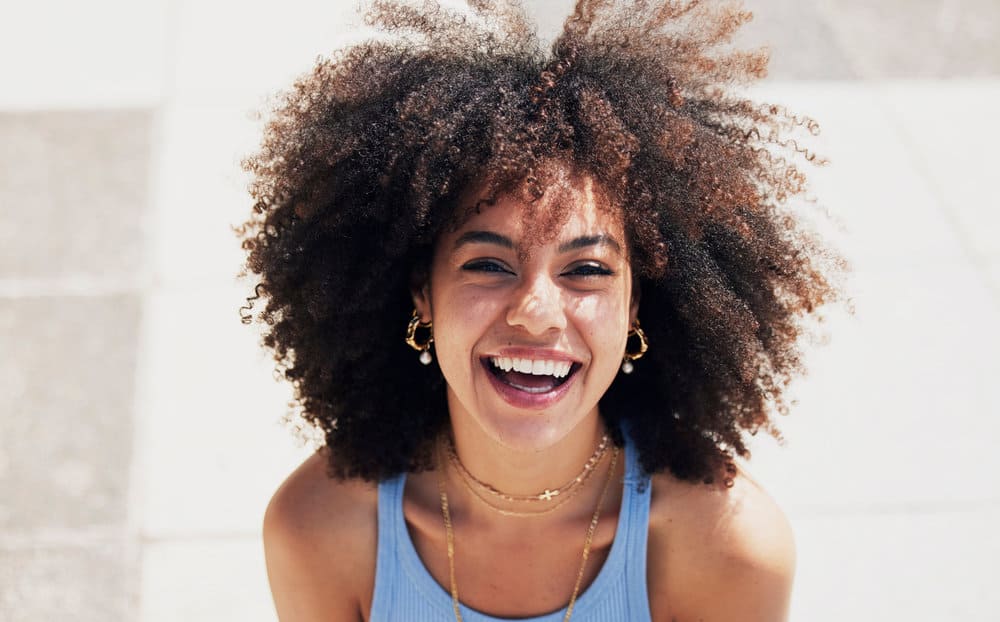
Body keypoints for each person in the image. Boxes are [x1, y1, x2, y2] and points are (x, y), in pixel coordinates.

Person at [239, 1, 844, 620]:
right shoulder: (321, 529)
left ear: (635, 307)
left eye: (586, 270)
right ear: (421, 292)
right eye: (489, 264)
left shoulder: (727, 548)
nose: (535, 312)